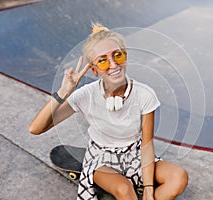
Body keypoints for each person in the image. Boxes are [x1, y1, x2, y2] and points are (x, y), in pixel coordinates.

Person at [29, 23, 188, 200]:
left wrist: (149, 190)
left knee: (178, 177)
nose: (113, 64)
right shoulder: (86, 95)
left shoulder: (145, 94)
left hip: (133, 155)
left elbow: (147, 144)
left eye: (117, 55)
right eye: (103, 60)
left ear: (125, 57)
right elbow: (36, 129)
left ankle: (139, 190)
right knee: (125, 189)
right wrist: (64, 92)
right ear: (94, 70)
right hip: (100, 158)